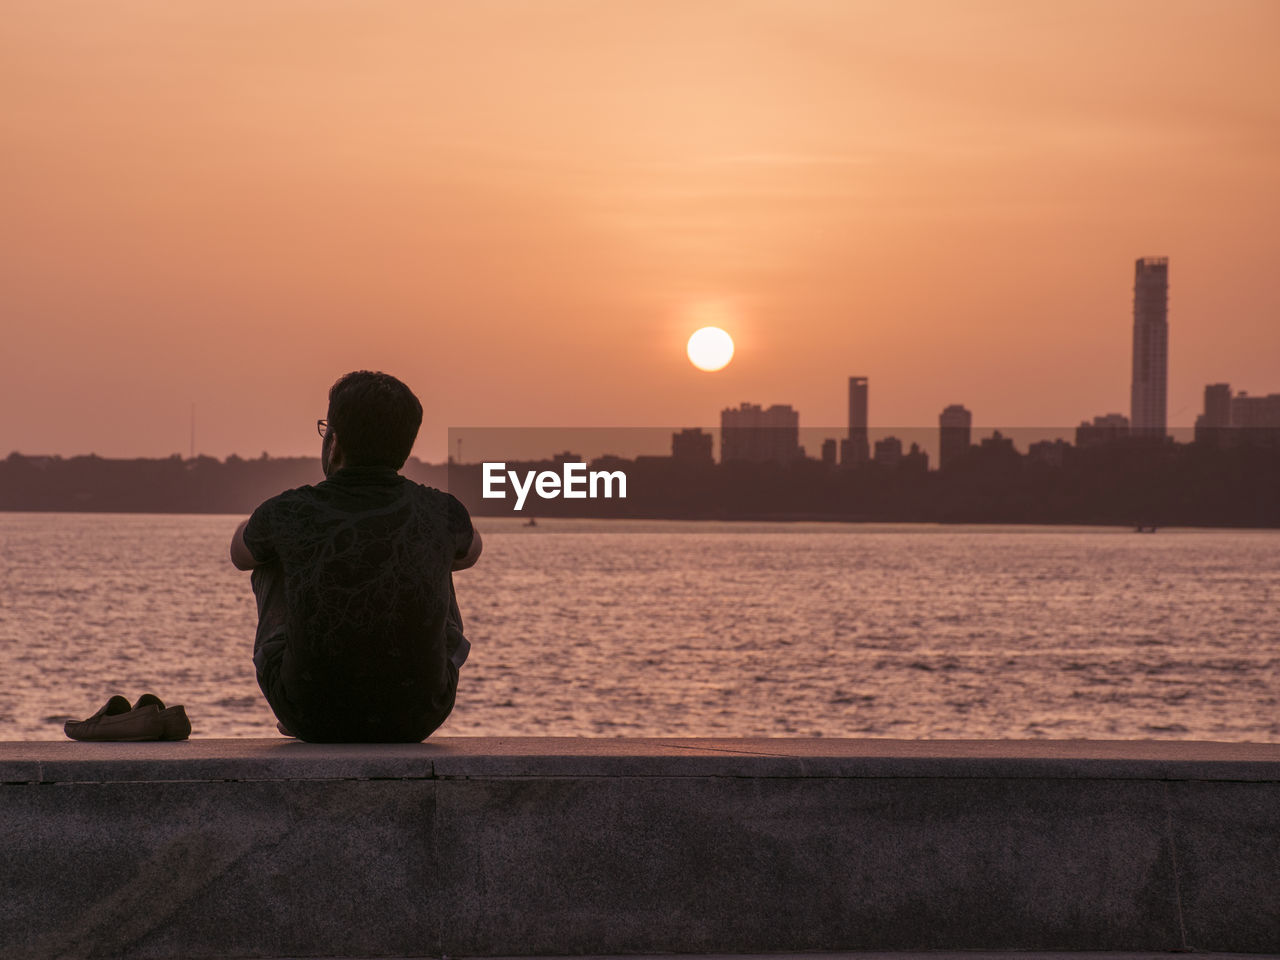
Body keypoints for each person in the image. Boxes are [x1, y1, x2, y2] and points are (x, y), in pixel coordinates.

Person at [229, 371, 481, 742]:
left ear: (334, 443)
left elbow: (240, 555)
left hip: (308, 713)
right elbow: (473, 551)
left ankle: (303, 699)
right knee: (441, 551)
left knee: (269, 558)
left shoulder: (289, 512)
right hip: (421, 714)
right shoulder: (440, 511)